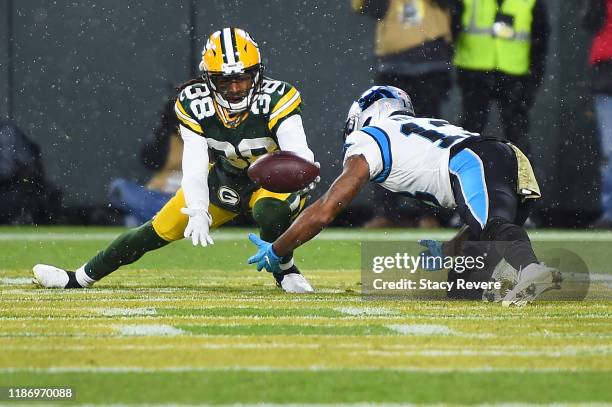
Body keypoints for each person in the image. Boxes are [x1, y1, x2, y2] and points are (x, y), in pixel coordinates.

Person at [32, 27, 317, 293]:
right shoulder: (194, 102)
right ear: (208, 79)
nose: (235, 90)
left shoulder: (279, 96)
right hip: (226, 175)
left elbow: (297, 152)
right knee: (155, 231)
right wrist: (197, 208)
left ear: (257, 74)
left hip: (272, 177)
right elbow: (193, 162)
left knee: (269, 211)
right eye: (224, 81)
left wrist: (301, 171)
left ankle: (284, 269)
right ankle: (78, 278)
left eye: (242, 79)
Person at [247, 85, 561, 307]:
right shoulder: (410, 129)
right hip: (502, 157)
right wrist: (448, 249)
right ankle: (508, 275)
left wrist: (279, 249)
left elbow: (327, 208)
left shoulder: (367, 139)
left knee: (493, 227)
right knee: (462, 285)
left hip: (472, 160)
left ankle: (531, 269)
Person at [352, 0, 455, 228]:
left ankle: (428, 214)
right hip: (394, 65)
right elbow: (368, 7)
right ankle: (386, 212)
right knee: (385, 138)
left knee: (430, 141)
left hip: (431, 63)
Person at [452, 0, 549, 156]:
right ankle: (460, 176)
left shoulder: (531, 3)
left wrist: (533, 80)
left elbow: (540, 40)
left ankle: (521, 178)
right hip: (475, 73)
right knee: (469, 133)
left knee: (516, 136)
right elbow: (452, 27)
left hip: (514, 75)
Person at [109, 97, 183, 227]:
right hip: (155, 198)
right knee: (118, 186)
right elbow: (150, 160)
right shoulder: (164, 138)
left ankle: (140, 221)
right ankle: (142, 221)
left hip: (184, 203)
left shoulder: (207, 139)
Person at [584, 0, 612, 228]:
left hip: (605, 75)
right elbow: (591, 21)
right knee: (609, 151)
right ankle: (609, 211)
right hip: (607, 77)